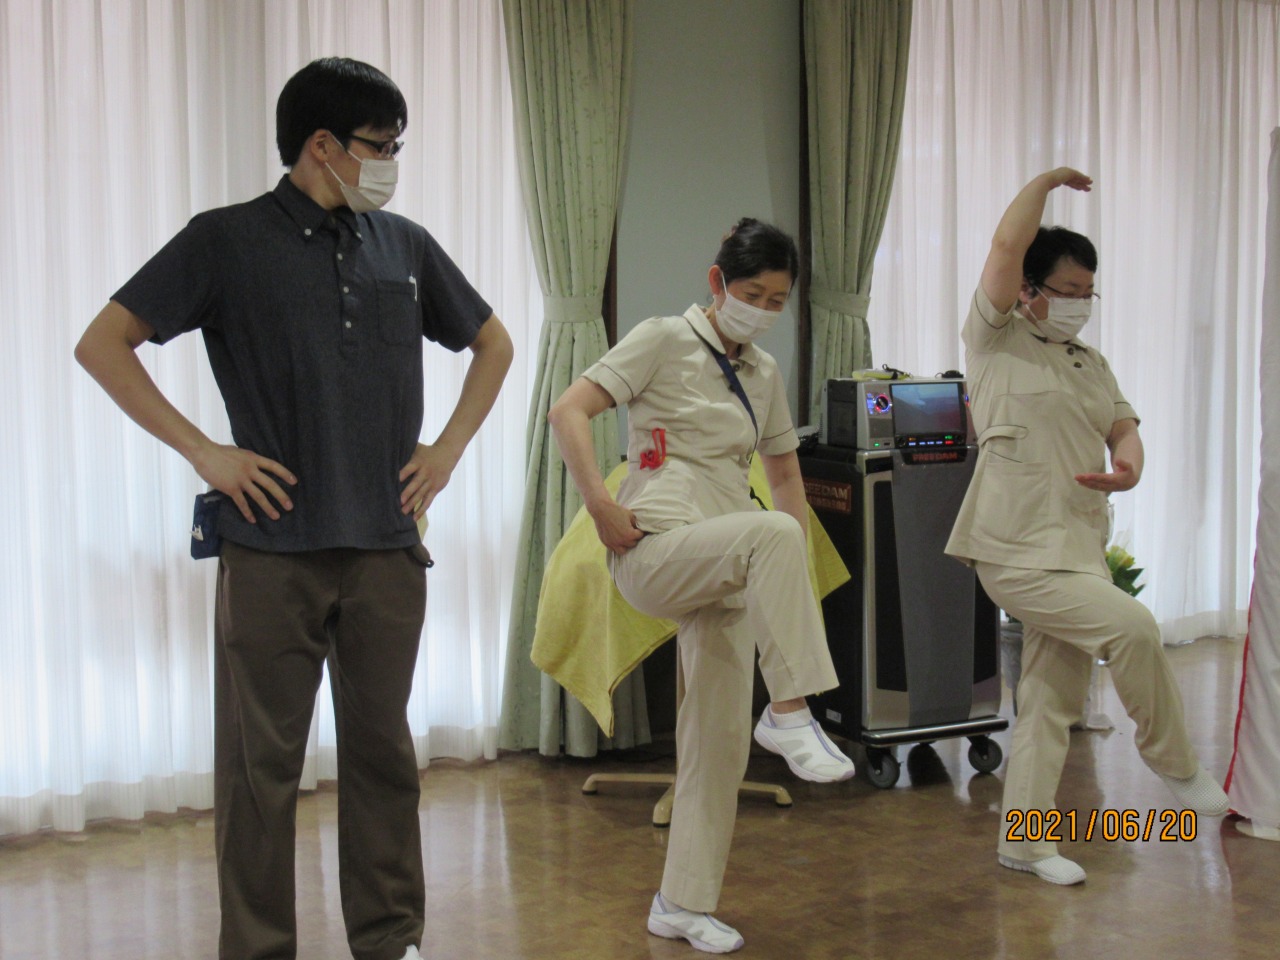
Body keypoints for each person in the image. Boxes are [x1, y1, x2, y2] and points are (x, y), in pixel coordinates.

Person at [74, 58, 513, 960]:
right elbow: (104, 342)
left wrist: (447, 449)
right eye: (381, 146)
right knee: (258, 773)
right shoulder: (224, 241)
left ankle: (390, 941)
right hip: (271, 552)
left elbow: (494, 344)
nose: (391, 163)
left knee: (384, 758)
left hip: (387, 548)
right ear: (322, 145)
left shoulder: (404, 246)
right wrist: (205, 451)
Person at [547, 218, 855, 954]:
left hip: (727, 560)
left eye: (778, 300)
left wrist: (793, 576)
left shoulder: (764, 373)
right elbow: (569, 410)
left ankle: (681, 904)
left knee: (717, 742)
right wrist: (599, 504)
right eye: (752, 294)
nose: (764, 309)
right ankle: (791, 711)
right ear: (717, 283)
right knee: (772, 533)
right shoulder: (662, 338)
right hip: (655, 547)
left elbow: (785, 474)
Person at [945, 168, 1229, 886]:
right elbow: (1006, 245)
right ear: (1029, 289)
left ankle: (1025, 842)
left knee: (1049, 701)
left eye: (1087, 294)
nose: (1078, 304)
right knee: (1131, 627)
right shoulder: (994, 338)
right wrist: (1044, 183)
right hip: (1013, 545)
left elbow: (1124, 429)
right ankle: (1175, 764)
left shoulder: (1090, 363)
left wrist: (1129, 468)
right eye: (1066, 290)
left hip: (1077, 545)